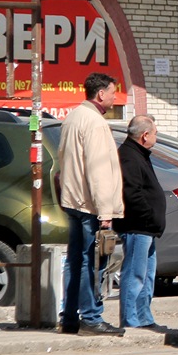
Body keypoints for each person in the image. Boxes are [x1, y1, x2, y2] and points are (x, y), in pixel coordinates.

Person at [57, 73, 125, 336]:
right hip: (89, 204)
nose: (114, 98)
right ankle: (91, 317)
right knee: (89, 262)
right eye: (112, 93)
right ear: (100, 94)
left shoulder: (73, 117)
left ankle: (70, 317)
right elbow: (98, 171)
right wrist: (106, 212)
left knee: (75, 261)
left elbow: (64, 163)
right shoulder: (95, 122)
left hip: (74, 200)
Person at [115, 115, 166, 330]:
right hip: (138, 226)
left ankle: (144, 317)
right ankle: (130, 319)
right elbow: (132, 193)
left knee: (147, 276)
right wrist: (149, 215)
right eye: (154, 133)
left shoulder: (140, 154)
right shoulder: (129, 156)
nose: (156, 137)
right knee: (135, 274)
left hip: (148, 228)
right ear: (145, 135)